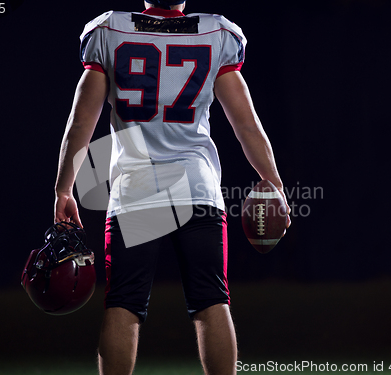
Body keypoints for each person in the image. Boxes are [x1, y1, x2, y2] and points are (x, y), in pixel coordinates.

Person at [54, 0, 291, 374]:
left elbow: (81, 123)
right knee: (212, 300)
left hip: (137, 188)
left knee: (124, 304)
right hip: (197, 186)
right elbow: (246, 125)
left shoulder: (110, 30)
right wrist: (274, 182)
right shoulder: (216, 33)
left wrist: (64, 189)